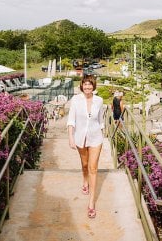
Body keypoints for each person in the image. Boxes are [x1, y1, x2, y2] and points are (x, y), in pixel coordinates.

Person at [67, 74, 104, 219]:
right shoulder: (75, 100)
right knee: (85, 164)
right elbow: (71, 120)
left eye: (90, 84)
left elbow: (101, 119)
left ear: (93, 86)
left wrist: (103, 133)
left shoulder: (99, 100)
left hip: (96, 138)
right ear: (81, 86)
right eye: (85, 84)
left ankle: (91, 204)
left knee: (93, 168)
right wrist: (71, 137)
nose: (87, 87)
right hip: (80, 138)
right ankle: (84, 180)